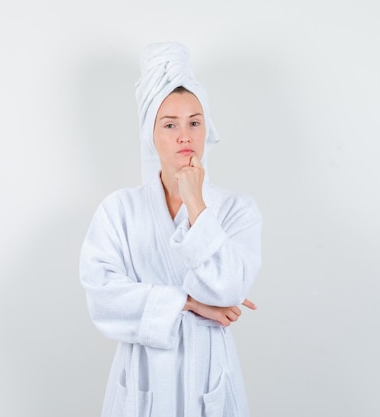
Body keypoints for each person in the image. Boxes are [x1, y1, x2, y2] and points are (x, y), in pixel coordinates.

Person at [79, 42, 262, 417]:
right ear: (150, 133)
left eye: (194, 122)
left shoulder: (236, 209)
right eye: (170, 124)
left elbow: (229, 288)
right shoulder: (119, 211)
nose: (185, 135)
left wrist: (196, 203)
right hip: (144, 377)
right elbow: (102, 299)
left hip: (208, 373)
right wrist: (190, 302)